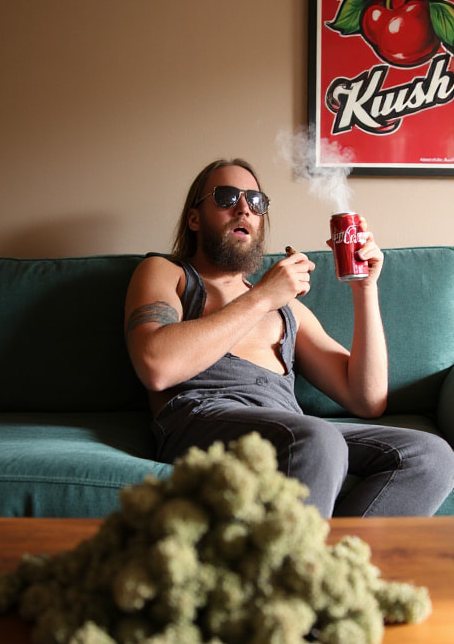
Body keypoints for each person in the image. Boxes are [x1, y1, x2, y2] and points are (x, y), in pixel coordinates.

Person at [124, 158, 454, 517]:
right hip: (202, 419)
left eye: (256, 201)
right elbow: (156, 366)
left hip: (291, 432)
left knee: (431, 456)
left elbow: (367, 400)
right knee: (318, 439)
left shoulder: (287, 309)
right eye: (226, 197)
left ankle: (330, 553)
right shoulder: (166, 272)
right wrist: (262, 297)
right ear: (194, 218)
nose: (243, 208)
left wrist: (365, 289)